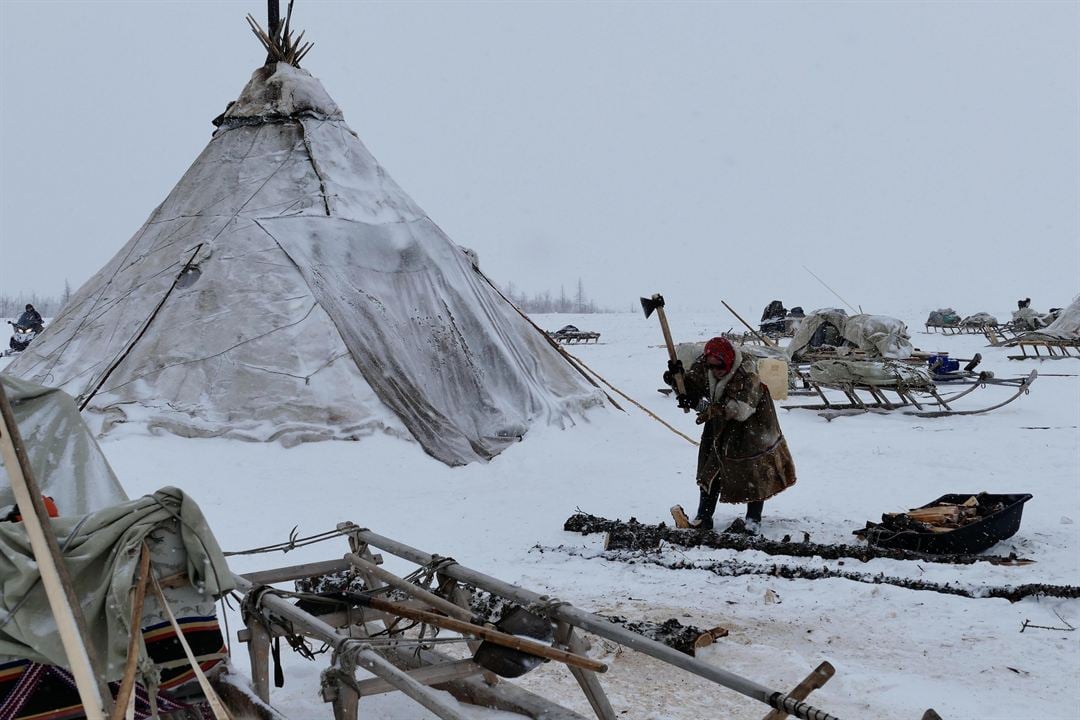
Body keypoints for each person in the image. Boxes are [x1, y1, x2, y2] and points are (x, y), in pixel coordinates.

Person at [664, 336, 796, 533]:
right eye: (711, 367)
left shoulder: (747, 373)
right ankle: (704, 517)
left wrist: (701, 406)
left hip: (753, 421)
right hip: (719, 420)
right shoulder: (708, 363)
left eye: (719, 367)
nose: (714, 371)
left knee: (753, 468)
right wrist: (678, 380)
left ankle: (752, 521)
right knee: (711, 463)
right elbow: (694, 384)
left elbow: (738, 409)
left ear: (727, 360)